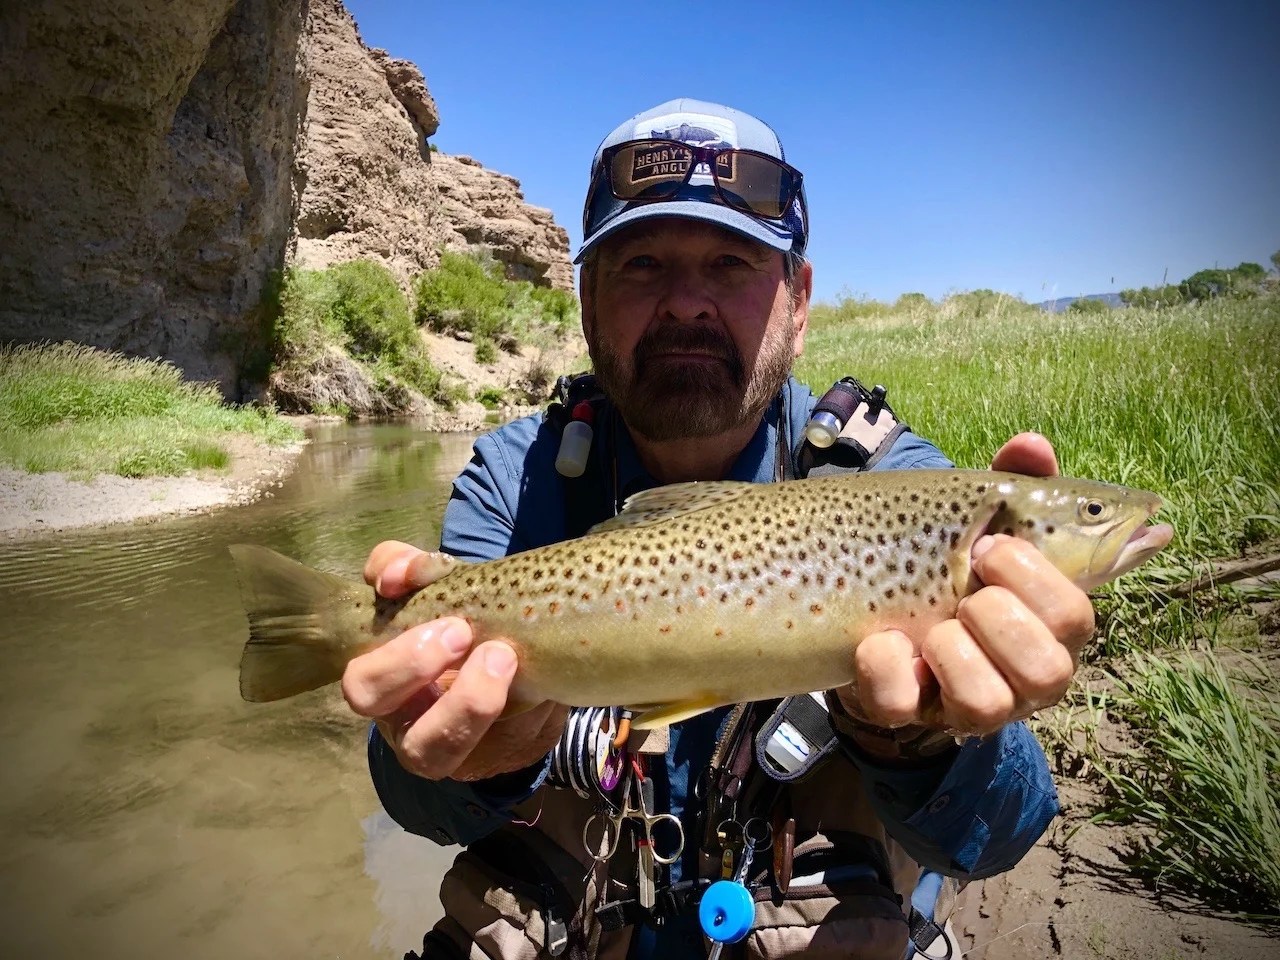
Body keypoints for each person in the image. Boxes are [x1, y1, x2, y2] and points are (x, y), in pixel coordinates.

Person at [343, 99, 1094, 960]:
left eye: (732, 263)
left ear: (798, 300)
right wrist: (471, 760)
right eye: (643, 264)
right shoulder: (513, 480)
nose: (687, 304)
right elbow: (414, 801)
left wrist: (923, 740)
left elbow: (1001, 835)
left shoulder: (902, 488)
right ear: (587, 297)